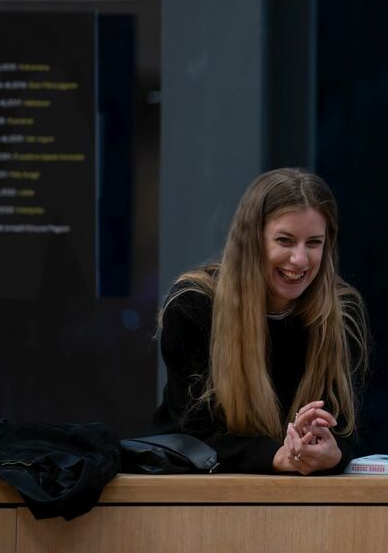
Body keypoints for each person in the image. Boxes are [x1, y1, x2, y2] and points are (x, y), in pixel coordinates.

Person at [154, 168, 368, 474]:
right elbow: (192, 433)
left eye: (313, 243)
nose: (300, 260)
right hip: (201, 495)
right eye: (285, 240)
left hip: (307, 498)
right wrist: (276, 456)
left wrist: (331, 453)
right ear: (252, 240)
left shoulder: (342, 313)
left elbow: (349, 430)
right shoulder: (193, 306)